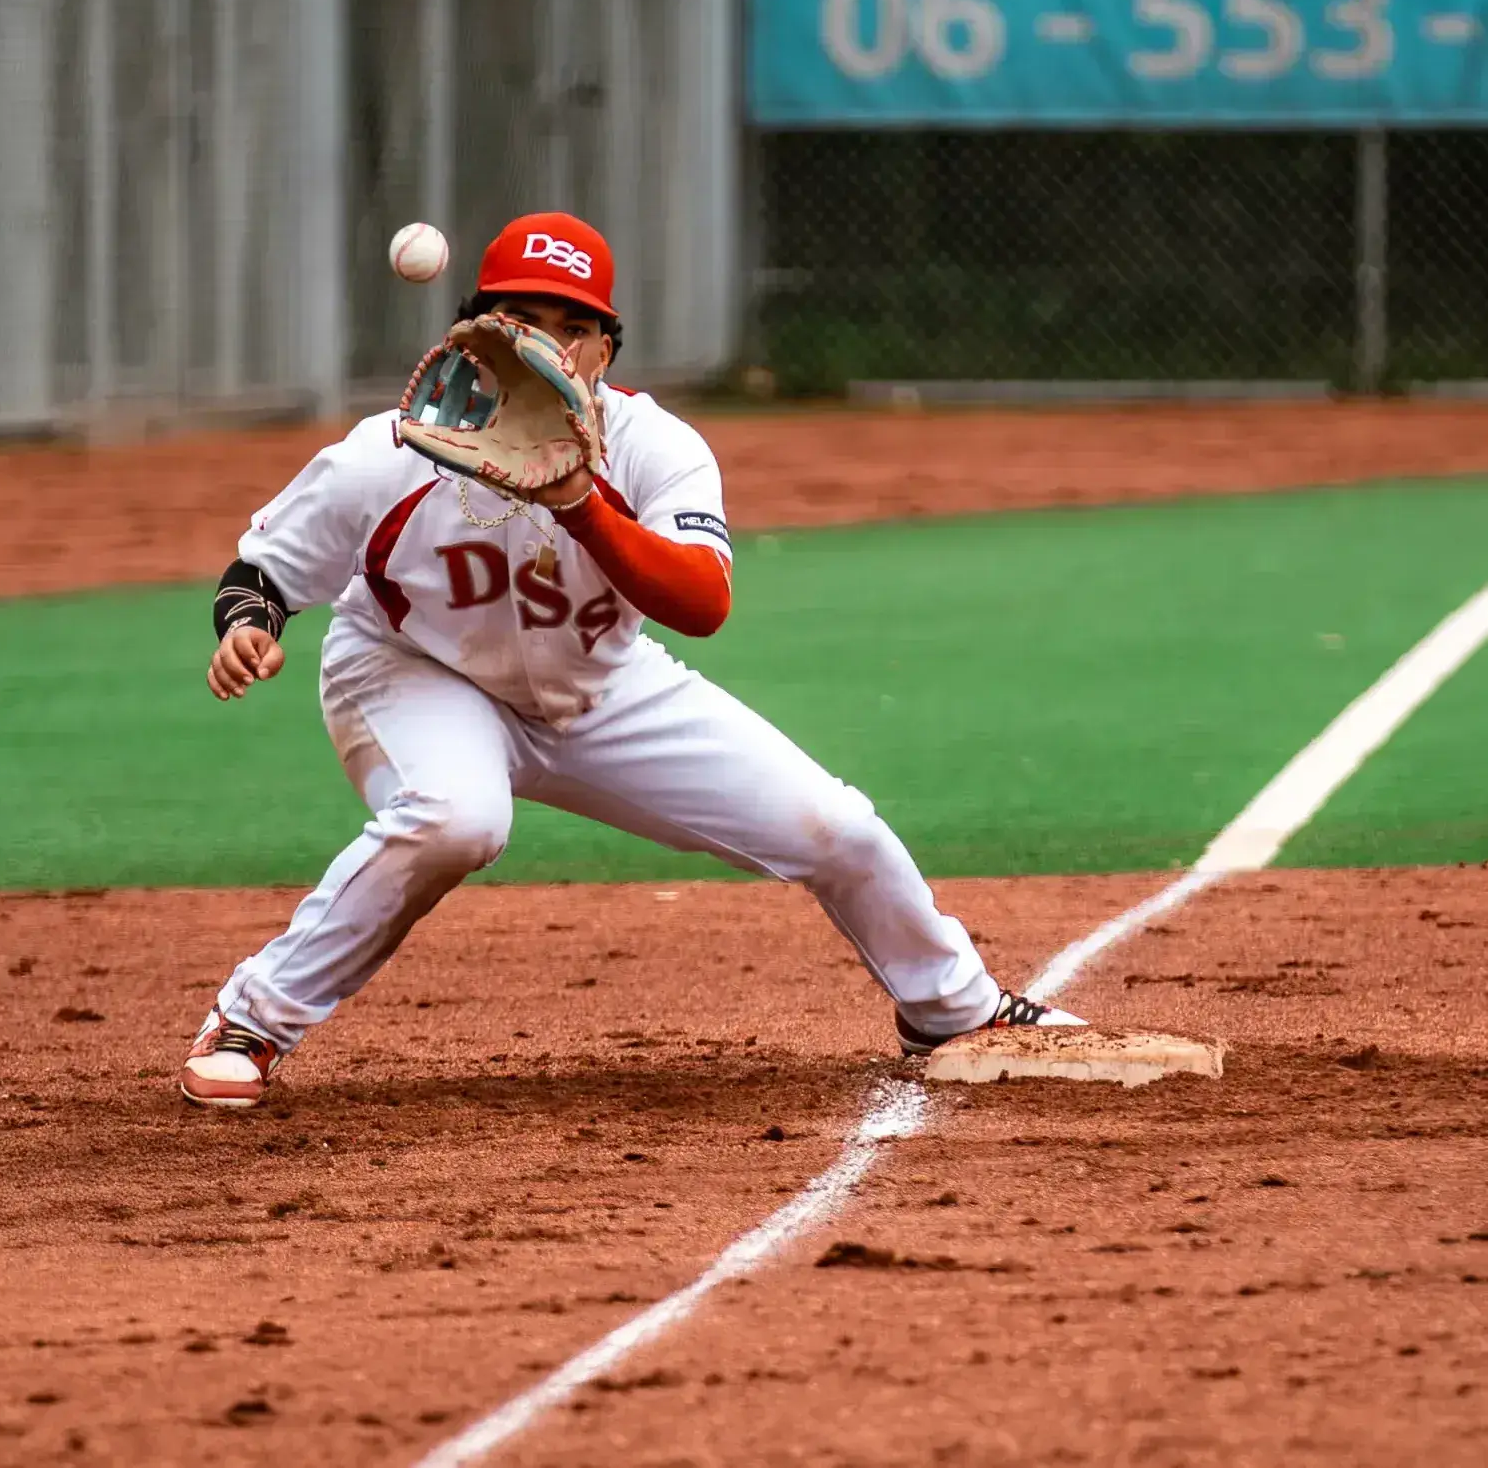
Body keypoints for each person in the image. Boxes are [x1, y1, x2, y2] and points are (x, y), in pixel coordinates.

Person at [177, 211, 1081, 1109]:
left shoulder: (654, 447)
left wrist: (577, 501)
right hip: (414, 671)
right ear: (478, 331)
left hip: (601, 683)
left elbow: (701, 604)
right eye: (529, 321)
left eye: (578, 328)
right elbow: (262, 573)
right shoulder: (390, 453)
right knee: (457, 818)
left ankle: (952, 1010)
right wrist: (247, 630)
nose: (556, 348)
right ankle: (253, 1019)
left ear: (608, 350)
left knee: (834, 829)